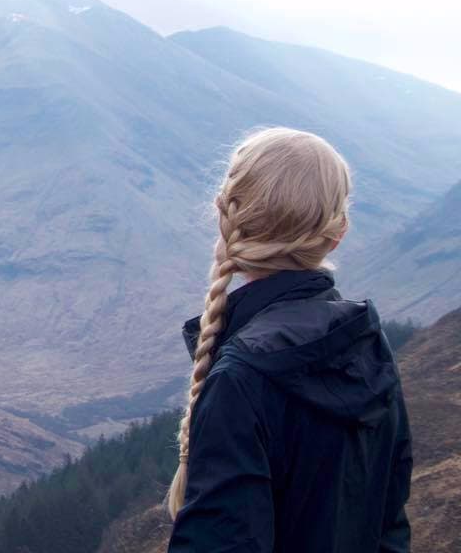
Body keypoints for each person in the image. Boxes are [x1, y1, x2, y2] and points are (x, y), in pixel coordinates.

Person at [166, 127, 412, 552]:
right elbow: (390, 525)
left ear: (225, 219)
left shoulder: (241, 377)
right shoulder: (370, 346)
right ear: (339, 232)